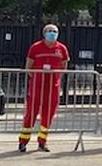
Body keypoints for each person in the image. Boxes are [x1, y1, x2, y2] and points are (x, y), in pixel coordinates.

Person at [18, 24, 69, 152]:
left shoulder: (62, 49)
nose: (52, 33)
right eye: (49, 31)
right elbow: (29, 66)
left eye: (55, 31)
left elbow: (64, 66)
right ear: (44, 33)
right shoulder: (35, 47)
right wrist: (37, 77)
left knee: (48, 115)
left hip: (53, 86)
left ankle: (42, 142)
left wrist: (56, 77)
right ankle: (23, 141)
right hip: (37, 85)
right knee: (31, 113)